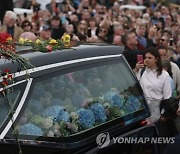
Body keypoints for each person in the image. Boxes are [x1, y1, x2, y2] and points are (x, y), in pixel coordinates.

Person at [135, 47, 172, 123]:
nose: (147, 60)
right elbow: (135, 86)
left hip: (157, 111)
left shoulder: (164, 75)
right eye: (145, 57)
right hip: (143, 110)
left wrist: (164, 114)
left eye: (150, 58)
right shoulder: (142, 71)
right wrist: (136, 70)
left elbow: (167, 97)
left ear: (156, 59)